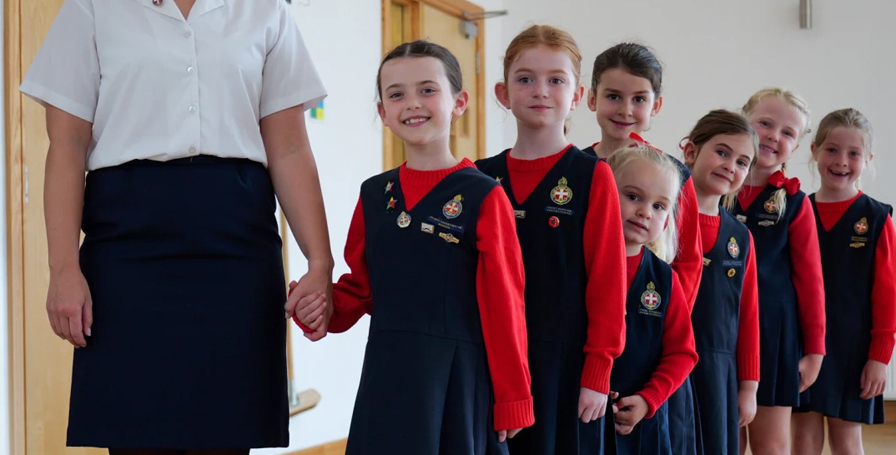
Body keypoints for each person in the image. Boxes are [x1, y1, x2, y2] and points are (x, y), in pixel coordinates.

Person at [19, 0, 333, 452]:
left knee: (228, 432)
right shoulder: (93, 4)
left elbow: (290, 149)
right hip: (125, 254)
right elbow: (67, 150)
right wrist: (63, 268)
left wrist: (318, 260)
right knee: (136, 433)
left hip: (237, 252)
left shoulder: (265, 12)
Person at [293, 41, 534, 454]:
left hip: (457, 379)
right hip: (387, 372)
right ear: (383, 113)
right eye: (396, 94)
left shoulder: (484, 195)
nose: (412, 103)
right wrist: (320, 308)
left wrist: (514, 397)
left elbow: (505, 305)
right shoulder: (374, 194)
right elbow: (361, 288)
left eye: (427, 89)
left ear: (459, 103)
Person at [476, 25, 627, 455]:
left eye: (555, 80)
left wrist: (598, 372)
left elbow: (608, 283)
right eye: (525, 78)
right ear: (503, 93)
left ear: (577, 95)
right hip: (490, 361)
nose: (540, 90)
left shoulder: (592, 176)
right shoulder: (479, 177)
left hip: (566, 364)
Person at [584, 42, 702, 455]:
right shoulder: (577, 170)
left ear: (656, 105)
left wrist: (651, 316)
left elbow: (688, 263)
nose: (625, 109)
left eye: (639, 99)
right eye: (614, 96)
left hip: (647, 356)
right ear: (592, 98)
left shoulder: (673, 176)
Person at [793, 109, 896, 455]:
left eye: (853, 153)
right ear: (814, 151)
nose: (841, 161)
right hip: (803, 345)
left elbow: (888, 296)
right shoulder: (797, 211)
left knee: (846, 440)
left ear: (867, 160)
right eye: (832, 150)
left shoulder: (876, 218)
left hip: (854, 350)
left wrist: (879, 357)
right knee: (803, 439)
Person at [735, 89, 827, 455]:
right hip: (718, 333)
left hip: (773, 338)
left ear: (798, 146)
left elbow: (811, 282)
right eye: (765, 124)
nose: (774, 136)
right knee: (723, 440)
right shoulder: (711, 189)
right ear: (743, 121)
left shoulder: (795, 204)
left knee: (771, 444)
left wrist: (815, 351)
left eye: (788, 132)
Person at [604, 146, 697, 455]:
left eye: (659, 206)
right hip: (581, 415)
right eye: (633, 197)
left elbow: (683, 353)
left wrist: (648, 400)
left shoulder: (665, 279)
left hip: (643, 426)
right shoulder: (579, 266)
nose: (646, 212)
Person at [680, 110, 761, 455]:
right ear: (691, 152)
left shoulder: (740, 237)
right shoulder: (663, 219)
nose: (730, 166)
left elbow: (748, 315)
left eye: (742, 162)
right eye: (722, 152)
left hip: (718, 372)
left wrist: (748, 387)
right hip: (667, 367)